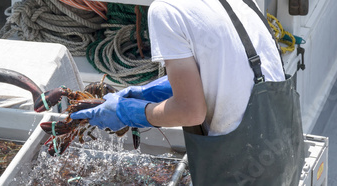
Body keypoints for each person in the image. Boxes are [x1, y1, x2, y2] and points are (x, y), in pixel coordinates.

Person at [71, 0, 305, 185]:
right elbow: (229, 70)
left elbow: (191, 112)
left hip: (241, 166)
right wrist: (148, 92)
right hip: (286, 153)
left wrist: (129, 112)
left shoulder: (166, 10)